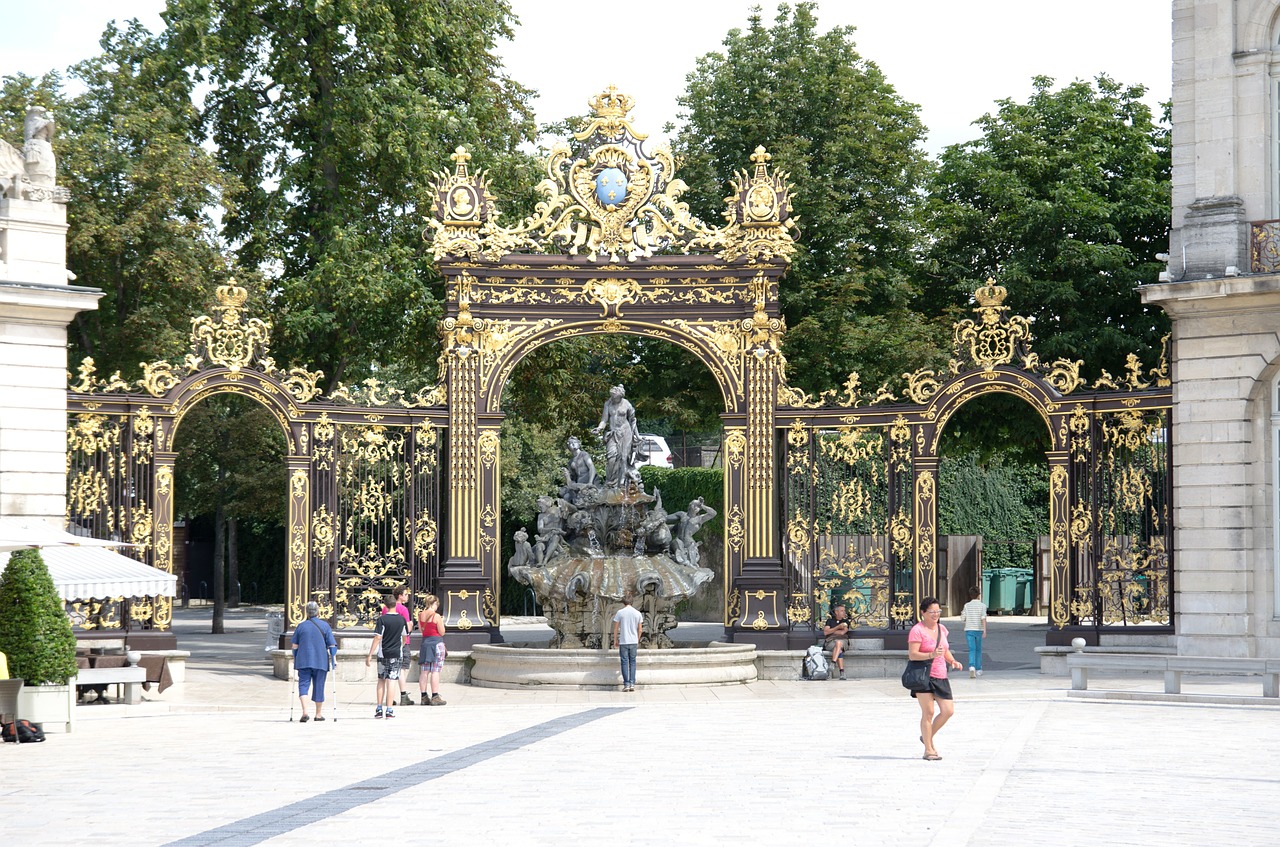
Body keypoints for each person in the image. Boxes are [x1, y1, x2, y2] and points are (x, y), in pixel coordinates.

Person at [908, 597, 963, 761]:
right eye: (931, 612)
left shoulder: (942, 629)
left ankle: (926, 736)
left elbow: (944, 649)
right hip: (923, 676)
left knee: (948, 711)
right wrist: (931, 655)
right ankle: (928, 749)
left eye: (938, 611)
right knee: (929, 712)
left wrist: (952, 660)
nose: (935, 614)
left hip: (941, 675)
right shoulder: (917, 630)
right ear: (923, 613)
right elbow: (913, 654)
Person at [290, 601, 337, 723]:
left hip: (304, 660)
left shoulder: (301, 626)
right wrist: (334, 659)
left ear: (306, 612)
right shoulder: (325, 626)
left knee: (303, 685)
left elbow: (295, 646)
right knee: (319, 686)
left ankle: (305, 711)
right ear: (318, 612)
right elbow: (332, 645)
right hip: (320, 661)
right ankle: (318, 714)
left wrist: (296, 657)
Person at [365, 592, 407, 719]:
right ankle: (389, 709)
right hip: (396, 653)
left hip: (383, 653)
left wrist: (370, 654)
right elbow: (405, 636)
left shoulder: (382, 620)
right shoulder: (401, 619)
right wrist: (401, 646)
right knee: (392, 681)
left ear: (385, 606)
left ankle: (379, 708)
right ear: (395, 604)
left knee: (381, 680)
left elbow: (378, 637)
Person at [595, 384, 641, 487]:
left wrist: (637, 436)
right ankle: (611, 481)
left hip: (625, 432)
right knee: (611, 457)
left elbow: (633, 420)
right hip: (613, 433)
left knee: (624, 458)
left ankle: (622, 481)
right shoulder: (608, 404)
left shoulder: (626, 404)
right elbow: (604, 420)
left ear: (620, 396)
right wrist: (599, 428)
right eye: (611, 396)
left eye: (614, 397)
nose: (612, 398)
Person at [380, 588, 414, 707]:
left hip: (387, 643)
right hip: (400, 642)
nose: (407, 596)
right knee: (400, 670)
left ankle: (390, 698)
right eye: (405, 594)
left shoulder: (385, 608)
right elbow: (407, 628)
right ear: (400, 596)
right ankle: (403, 695)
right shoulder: (403, 609)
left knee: (387, 671)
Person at [417, 594, 448, 706]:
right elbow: (442, 632)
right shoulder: (436, 616)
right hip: (436, 644)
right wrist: (442, 621)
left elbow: (422, 630)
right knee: (435, 670)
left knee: (424, 671)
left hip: (425, 644)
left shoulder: (420, 615)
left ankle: (423, 696)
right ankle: (435, 696)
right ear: (434, 603)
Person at [612, 594, 644, 692]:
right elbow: (640, 630)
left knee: (624, 662)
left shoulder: (620, 612)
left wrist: (615, 640)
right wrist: (637, 640)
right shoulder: (637, 613)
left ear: (623, 602)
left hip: (624, 641)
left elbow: (616, 628)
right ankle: (632, 684)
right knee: (633, 662)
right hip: (633, 641)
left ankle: (626, 684)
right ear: (632, 602)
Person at [961, 585, 988, 678]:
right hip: (979, 629)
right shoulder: (982, 606)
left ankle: (971, 666)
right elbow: (983, 618)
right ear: (979, 595)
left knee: (971, 649)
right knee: (978, 649)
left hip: (969, 629)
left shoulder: (966, 606)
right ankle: (979, 668)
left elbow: (963, 618)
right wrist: (985, 630)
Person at [822, 602, 851, 680]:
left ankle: (833, 663)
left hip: (843, 641)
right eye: (842, 611)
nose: (844, 612)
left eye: (844, 610)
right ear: (836, 612)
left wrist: (831, 630)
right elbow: (825, 632)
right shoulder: (830, 621)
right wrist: (838, 627)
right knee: (839, 649)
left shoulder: (846, 622)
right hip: (830, 642)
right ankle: (842, 672)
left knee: (839, 643)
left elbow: (842, 632)